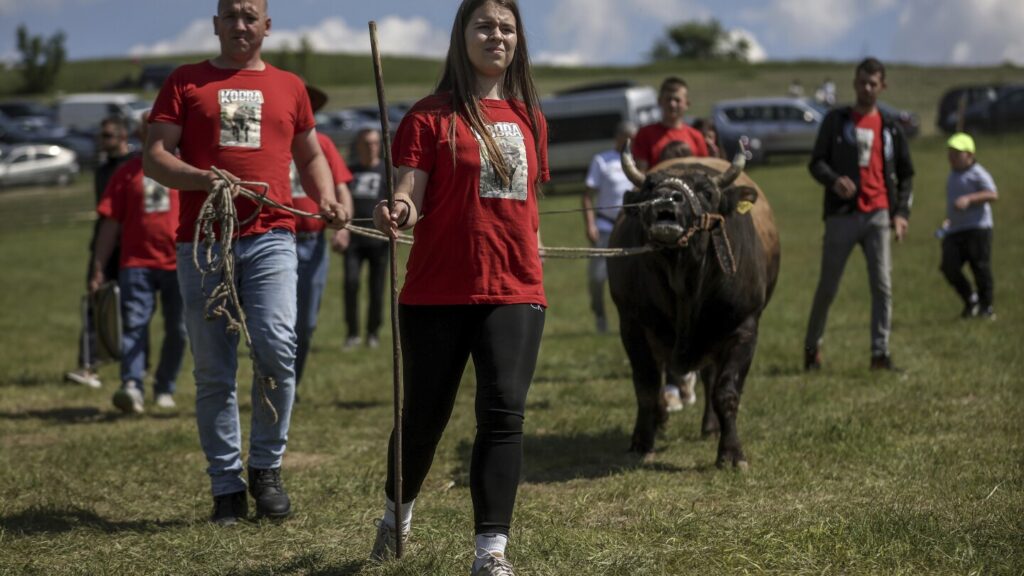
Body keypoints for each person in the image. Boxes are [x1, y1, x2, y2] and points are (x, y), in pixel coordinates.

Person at [144, 0, 349, 526]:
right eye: (231, 15)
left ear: (266, 26)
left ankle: (267, 467)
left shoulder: (291, 86)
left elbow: (310, 155)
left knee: (277, 347)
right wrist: (202, 179)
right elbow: (155, 155)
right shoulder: (184, 81)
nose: (240, 24)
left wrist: (328, 198)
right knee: (214, 369)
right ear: (216, 25)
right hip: (204, 241)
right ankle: (226, 488)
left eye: (250, 15)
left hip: (272, 238)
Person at [370, 1, 547, 573]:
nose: (496, 35)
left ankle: (490, 554)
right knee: (424, 415)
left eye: (506, 27)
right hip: (437, 290)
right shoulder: (428, 115)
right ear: (462, 36)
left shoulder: (530, 118)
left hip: (516, 287)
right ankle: (397, 515)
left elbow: (527, 206)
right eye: (484, 25)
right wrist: (398, 208)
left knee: (503, 414)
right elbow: (411, 192)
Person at [804, 57, 914, 372]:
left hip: (878, 214)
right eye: (862, 82)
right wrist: (834, 180)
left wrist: (901, 212)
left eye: (873, 83)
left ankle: (880, 354)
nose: (867, 88)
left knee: (882, 285)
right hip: (841, 215)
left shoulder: (890, 126)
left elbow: (906, 173)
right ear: (854, 83)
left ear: (882, 86)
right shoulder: (836, 121)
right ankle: (812, 349)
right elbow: (816, 162)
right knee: (828, 287)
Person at [91, 113, 187, 414]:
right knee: (134, 324)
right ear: (142, 133)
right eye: (149, 128)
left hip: (179, 261)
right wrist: (98, 265)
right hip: (136, 263)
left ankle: (165, 386)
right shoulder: (126, 172)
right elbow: (110, 223)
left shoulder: (187, 170)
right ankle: (132, 385)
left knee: (180, 329)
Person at [290, 84, 354, 394]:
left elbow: (341, 189)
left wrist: (343, 227)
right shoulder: (271, 144)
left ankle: (289, 384)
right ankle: (270, 379)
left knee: (305, 324)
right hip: (273, 238)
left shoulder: (324, 144)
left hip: (311, 243)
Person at [65, 116, 135, 389]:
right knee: (95, 303)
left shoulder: (134, 166)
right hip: (104, 245)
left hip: (131, 247)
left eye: (107, 136)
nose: (101, 141)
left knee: (134, 311)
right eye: (100, 136)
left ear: (121, 137)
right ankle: (88, 365)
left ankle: (134, 369)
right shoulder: (102, 170)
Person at [337, 128, 388, 350]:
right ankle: (352, 333)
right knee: (351, 284)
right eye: (366, 143)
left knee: (377, 288)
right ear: (358, 146)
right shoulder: (350, 172)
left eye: (375, 143)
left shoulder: (387, 172)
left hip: (380, 240)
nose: (371, 147)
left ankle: (373, 332)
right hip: (354, 239)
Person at [583, 121, 635, 334]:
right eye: (626, 136)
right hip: (605, 225)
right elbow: (587, 195)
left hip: (629, 225)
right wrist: (590, 223)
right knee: (597, 277)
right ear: (618, 137)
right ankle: (599, 312)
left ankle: (631, 318)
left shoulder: (637, 163)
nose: (629, 141)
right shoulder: (602, 160)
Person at [940, 132, 998, 319]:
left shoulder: (978, 173)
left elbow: (992, 194)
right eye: (950, 152)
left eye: (957, 153)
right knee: (949, 266)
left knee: (979, 267)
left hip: (977, 227)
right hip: (955, 229)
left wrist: (970, 199)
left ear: (970, 155)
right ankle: (970, 299)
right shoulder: (953, 174)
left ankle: (986, 307)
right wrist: (949, 219)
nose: (952, 156)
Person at [631, 76, 708, 170]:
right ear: (659, 101)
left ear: (687, 104)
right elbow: (641, 173)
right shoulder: (645, 134)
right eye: (668, 99)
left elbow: (703, 174)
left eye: (677, 100)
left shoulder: (696, 137)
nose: (672, 104)